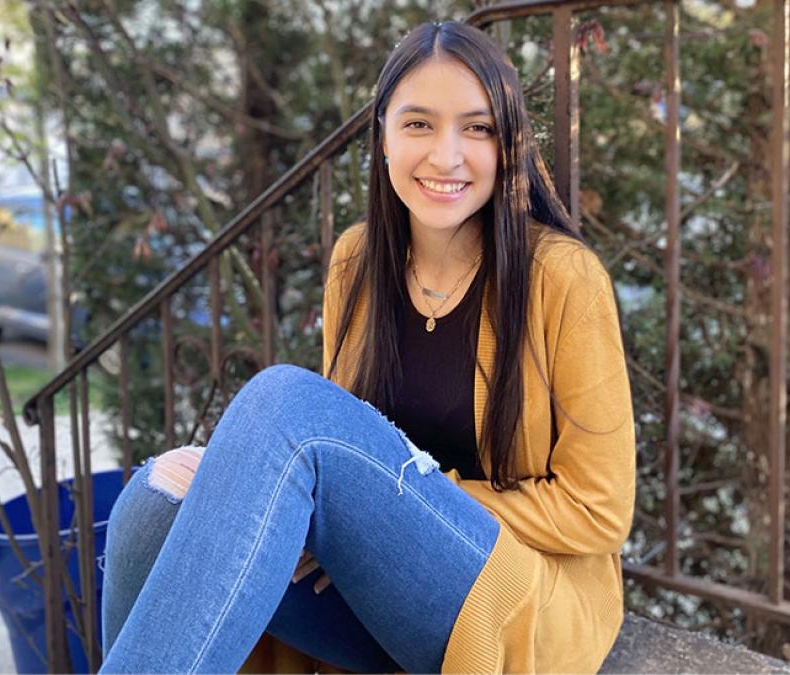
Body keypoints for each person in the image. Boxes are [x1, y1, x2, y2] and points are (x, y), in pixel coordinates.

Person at [99, 19, 635, 674]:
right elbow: (340, 445)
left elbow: (598, 508)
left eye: (477, 128)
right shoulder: (356, 262)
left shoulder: (563, 277)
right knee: (154, 501)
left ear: (509, 145)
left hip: (513, 599)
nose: (446, 155)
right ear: (382, 137)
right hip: (373, 590)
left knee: (282, 400)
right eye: (418, 125)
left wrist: (405, 503)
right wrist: (274, 496)